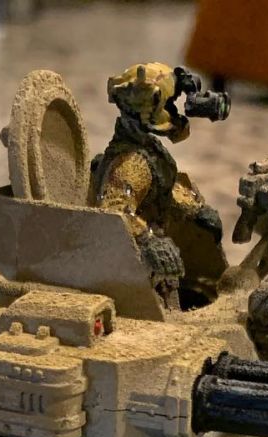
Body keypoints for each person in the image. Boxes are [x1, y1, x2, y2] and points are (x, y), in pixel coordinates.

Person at [90, 63, 230, 307]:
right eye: (169, 104)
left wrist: (194, 210)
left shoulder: (147, 149)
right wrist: (148, 241)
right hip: (134, 264)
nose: (174, 112)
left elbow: (164, 189)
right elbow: (114, 211)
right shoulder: (130, 164)